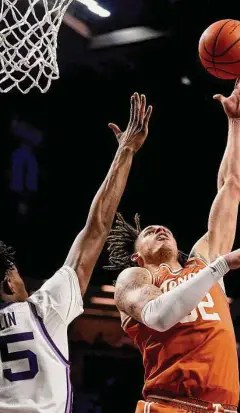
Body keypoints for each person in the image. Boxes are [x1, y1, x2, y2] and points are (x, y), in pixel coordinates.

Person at [105, 73, 240, 413]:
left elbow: (230, 186)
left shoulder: (202, 262)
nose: (157, 227)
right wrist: (223, 264)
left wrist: (237, 121)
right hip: (171, 406)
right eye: (147, 232)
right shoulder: (136, 280)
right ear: (137, 257)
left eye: (160, 227)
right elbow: (158, 315)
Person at [0, 93, 152, 413]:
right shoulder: (42, 309)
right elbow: (97, 228)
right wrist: (125, 151)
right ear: (8, 286)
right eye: (15, 273)